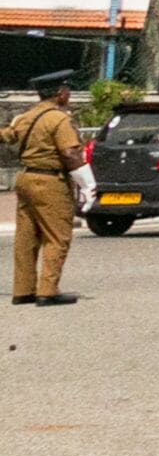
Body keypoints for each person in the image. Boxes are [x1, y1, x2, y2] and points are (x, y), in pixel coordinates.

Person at [11, 70, 85, 306]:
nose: (69, 94)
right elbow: (69, 153)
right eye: (67, 91)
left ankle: (22, 290)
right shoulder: (59, 119)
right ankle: (48, 291)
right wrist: (87, 182)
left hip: (25, 178)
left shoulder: (26, 116)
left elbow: (8, 135)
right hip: (50, 181)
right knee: (57, 236)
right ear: (60, 93)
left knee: (26, 237)